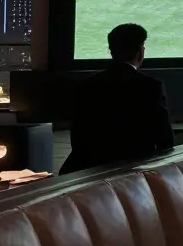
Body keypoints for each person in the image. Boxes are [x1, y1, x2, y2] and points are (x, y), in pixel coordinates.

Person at [62, 23, 175, 174]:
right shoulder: (151, 86)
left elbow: (78, 137)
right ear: (140, 53)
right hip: (133, 172)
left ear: (111, 51)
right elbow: (165, 140)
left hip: (88, 169)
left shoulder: (86, 85)